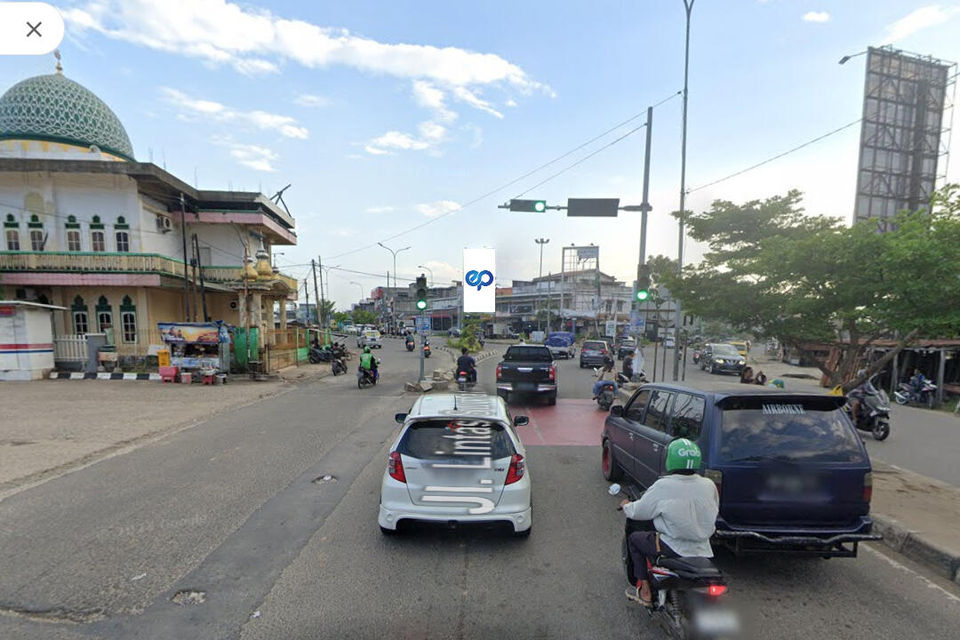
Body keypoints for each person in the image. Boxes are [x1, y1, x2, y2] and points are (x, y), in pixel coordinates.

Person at [620, 438, 719, 607]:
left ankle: (645, 590)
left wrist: (626, 506)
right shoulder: (708, 484)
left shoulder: (664, 485)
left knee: (635, 539)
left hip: (672, 546)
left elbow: (639, 511)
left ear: (670, 460)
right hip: (703, 548)